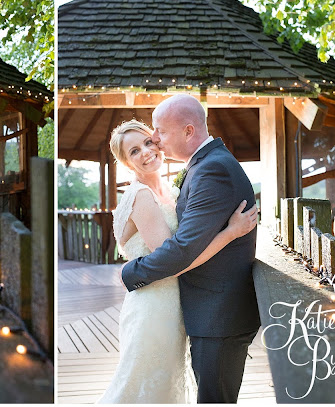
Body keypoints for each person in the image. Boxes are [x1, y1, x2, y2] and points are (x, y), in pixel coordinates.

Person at [97, 119, 257, 403]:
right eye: (134, 151)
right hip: (154, 305)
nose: (146, 152)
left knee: (166, 384)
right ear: (126, 162)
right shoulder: (141, 196)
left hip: (174, 301)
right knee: (146, 386)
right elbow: (177, 260)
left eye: (147, 142)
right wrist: (231, 232)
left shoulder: (169, 190)